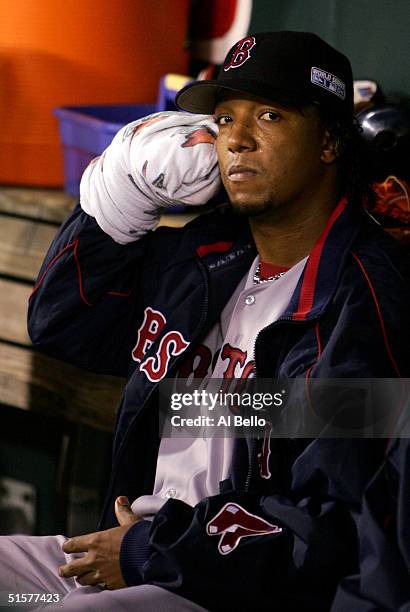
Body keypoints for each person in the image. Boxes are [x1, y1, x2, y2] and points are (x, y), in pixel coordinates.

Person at [0, 31, 408, 611]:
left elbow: (330, 526)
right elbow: (63, 325)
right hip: (134, 553)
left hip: (225, 586)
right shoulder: (207, 255)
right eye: (223, 119)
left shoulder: (364, 298)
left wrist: (150, 549)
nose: (236, 140)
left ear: (328, 141)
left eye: (269, 115)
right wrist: (117, 198)